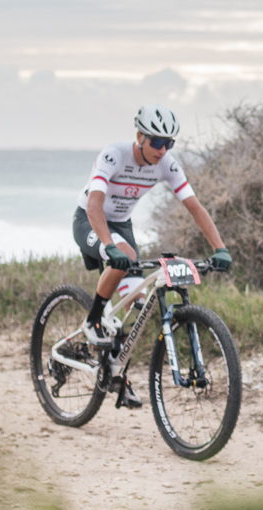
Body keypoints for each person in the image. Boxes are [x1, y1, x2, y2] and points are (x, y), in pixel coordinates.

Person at [76, 106, 231, 388]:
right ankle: (93, 320)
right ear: (140, 136)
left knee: (137, 305)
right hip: (90, 220)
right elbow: (94, 204)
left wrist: (220, 248)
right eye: (157, 142)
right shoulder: (114, 155)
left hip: (122, 226)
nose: (162, 150)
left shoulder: (166, 164)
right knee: (126, 255)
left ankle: (115, 376)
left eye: (168, 143)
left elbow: (195, 207)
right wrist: (109, 245)